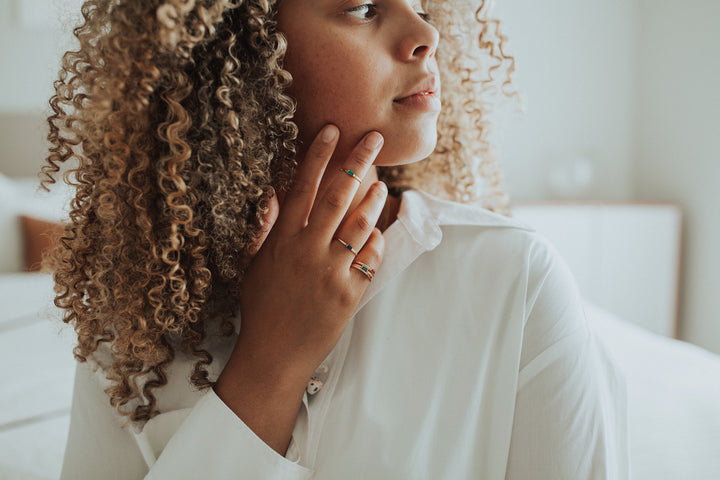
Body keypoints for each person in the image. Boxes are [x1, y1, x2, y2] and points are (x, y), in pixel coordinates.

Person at [44, 0, 629, 478]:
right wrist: (271, 363)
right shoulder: (132, 317)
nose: (425, 32)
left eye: (421, 3)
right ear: (240, 52)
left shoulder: (515, 277)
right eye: (363, 7)